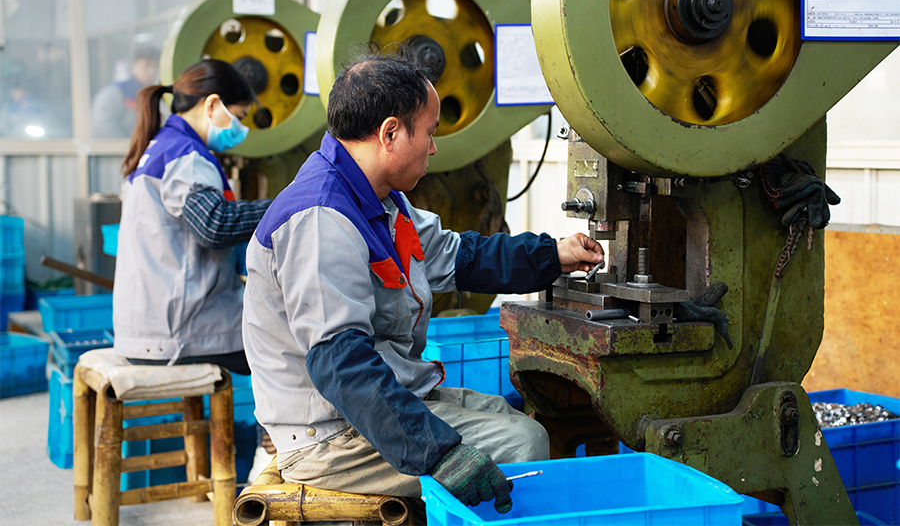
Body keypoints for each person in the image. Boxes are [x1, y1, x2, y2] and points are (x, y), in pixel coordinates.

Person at [242, 46, 604, 514]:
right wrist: (439, 452)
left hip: (376, 403)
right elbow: (341, 365)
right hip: (331, 434)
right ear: (390, 133)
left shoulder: (379, 201)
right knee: (522, 442)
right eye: (430, 133)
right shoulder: (322, 218)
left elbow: (460, 257)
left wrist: (553, 255)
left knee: (507, 414)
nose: (433, 148)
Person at [113, 58, 270, 375]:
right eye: (238, 117)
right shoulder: (184, 155)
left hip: (147, 328)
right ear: (212, 104)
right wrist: (283, 207)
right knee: (296, 345)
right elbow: (214, 225)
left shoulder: (160, 147)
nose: (239, 129)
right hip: (183, 333)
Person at [91, 47, 160, 139]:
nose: (151, 71)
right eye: (147, 65)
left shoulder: (155, 95)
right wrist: (127, 143)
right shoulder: (115, 92)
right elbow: (102, 123)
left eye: (155, 66)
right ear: (134, 65)